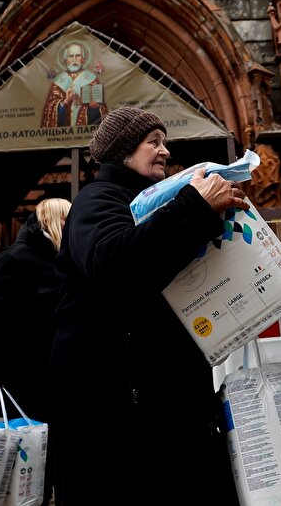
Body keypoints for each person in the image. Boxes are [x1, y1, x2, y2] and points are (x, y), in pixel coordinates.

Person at [48, 106, 248, 505]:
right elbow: (117, 267)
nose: (164, 151)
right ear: (123, 151)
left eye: (164, 142)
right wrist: (195, 206)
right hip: (116, 411)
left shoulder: (149, 201)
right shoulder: (97, 199)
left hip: (158, 398)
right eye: (153, 142)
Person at [0, 197, 70, 506]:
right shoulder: (15, 258)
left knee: (53, 450)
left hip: (55, 372)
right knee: (28, 454)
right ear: (52, 221)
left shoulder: (64, 258)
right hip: (20, 376)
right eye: (67, 219)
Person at [41, 41, 106, 128]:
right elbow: (49, 110)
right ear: (66, 60)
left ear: (83, 60)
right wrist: (65, 102)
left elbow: (102, 110)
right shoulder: (57, 82)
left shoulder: (92, 80)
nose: (74, 59)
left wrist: (93, 107)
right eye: (71, 56)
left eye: (78, 56)